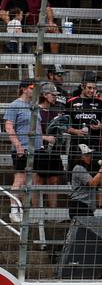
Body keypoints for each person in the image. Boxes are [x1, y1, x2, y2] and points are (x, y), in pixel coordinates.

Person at [5, 80, 51, 222]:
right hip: (23, 148)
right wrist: (18, 145)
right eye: (32, 88)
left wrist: (42, 142)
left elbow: (37, 127)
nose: (34, 90)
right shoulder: (14, 105)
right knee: (19, 179)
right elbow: (9, 127)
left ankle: (25, 209)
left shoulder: (34, 106)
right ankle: (13, 210)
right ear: (24, 89)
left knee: (32, 180)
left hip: (36, 149)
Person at [68, 144, 102, 219]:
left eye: (89, 155)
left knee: (83, 230)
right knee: (84, 230)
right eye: (86, 155)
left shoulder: (86, 168)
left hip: (86, 207)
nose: (90, 157)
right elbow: (92, 184)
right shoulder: (78, 168)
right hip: (80, 206)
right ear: (80, 157)